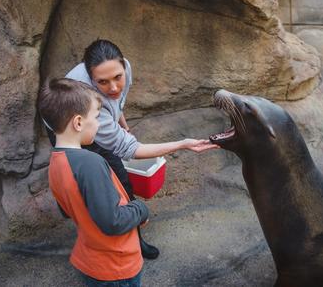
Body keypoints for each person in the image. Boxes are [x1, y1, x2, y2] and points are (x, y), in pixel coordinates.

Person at [52, 39, 218, 260]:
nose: (113, 87)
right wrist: (183, 144)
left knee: (119, 183)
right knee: (89, 182)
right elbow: (131, 149)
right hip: (66, 129)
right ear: (91, 81)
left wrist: (121, 121)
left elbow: (117, 99)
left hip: (93, 122)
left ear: (123, 67)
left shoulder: (124, 68)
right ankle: (92, 229)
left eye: (117, 77)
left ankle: (134, 240)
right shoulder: (90, 107)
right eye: (102, 82)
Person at [38, 78, 148, 286]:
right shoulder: (91, 163)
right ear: (78, 122)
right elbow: (112, 222)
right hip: (116, 266)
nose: (98, 123)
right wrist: (141, 209)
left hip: (91, 258)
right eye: (96, 117)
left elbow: (67, 210)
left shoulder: (55, 161)